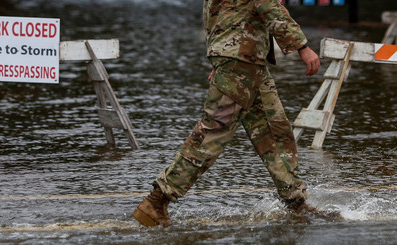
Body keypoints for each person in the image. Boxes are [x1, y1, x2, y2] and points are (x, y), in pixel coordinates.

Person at [133, 0, 320, 227]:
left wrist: (220, 56)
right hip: (241, 59)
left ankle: (295, 203)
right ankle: (157, 200)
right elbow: (267, 4)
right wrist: (302, 46)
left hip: (245, 59)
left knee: (274, 130)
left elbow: (215, 11)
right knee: (213, 133)